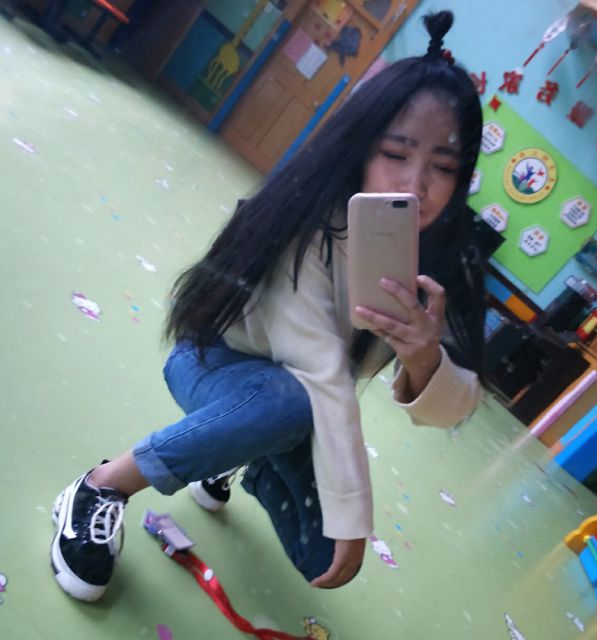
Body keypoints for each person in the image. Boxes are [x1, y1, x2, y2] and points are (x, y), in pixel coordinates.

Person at [50, 10, 486, 602]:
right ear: (362, 146)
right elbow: (321, 374)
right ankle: (102, 486)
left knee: (322, 555)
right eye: (396, 153)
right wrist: (354, 519)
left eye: (443, 167)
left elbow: (456, 404)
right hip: (211, 363)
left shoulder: (443, 262)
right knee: (291, 406)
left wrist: (425, 360)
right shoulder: (309, 224)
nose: (415, 184)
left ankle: (234, 453)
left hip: (295, 403)